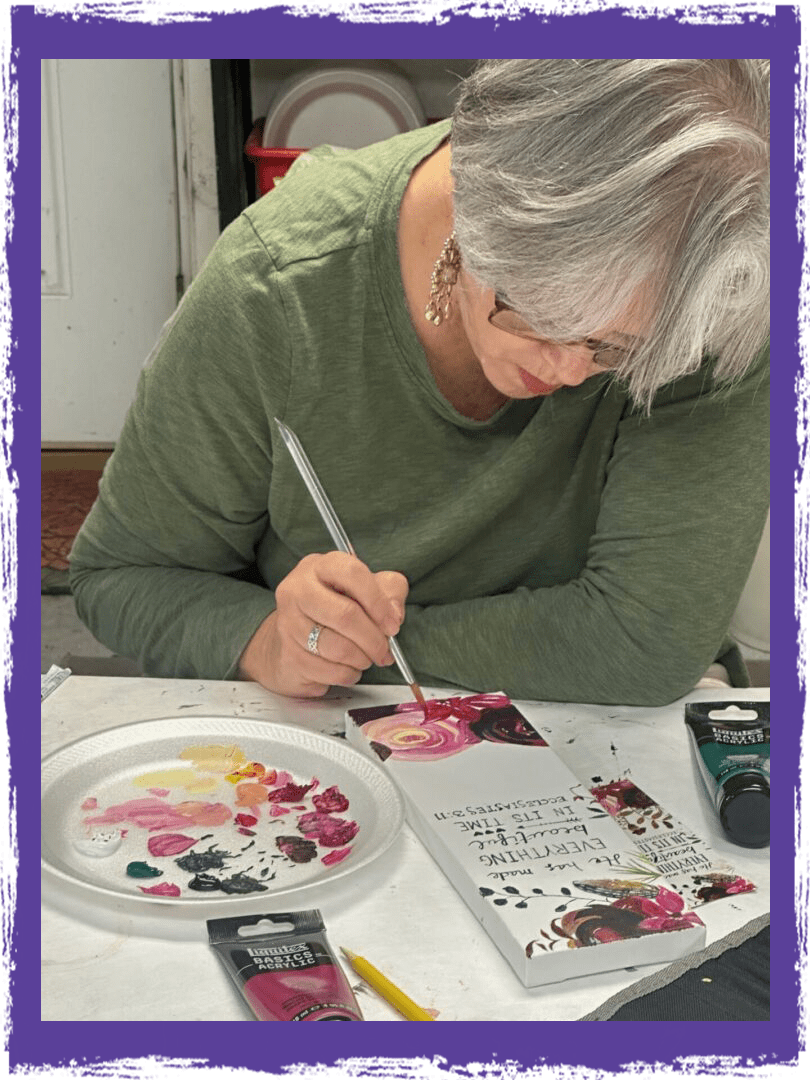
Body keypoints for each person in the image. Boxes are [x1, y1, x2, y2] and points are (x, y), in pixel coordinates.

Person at [69, 59, 770, 707]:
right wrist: (268, 642)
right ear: (470, 205)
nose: (568, 371)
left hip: (620, 734)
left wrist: (367, 655)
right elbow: (126, 576)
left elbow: (643, 645)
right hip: (328, 732)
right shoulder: (281, 286)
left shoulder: (720, 293)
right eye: (539, 314)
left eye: (619, 350)